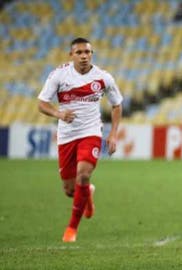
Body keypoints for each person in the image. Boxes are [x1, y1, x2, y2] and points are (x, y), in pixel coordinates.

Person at [38, 37, 123, 242]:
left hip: (91, 132)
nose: (84, 56)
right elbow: (42, 103)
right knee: (69, 190)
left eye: (88, 52)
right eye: (79, 53)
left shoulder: (103, 78)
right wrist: (59, 114)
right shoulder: (59, 75)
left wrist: (112, 133)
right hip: (67, 136)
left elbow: (117, 104)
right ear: (71, 55)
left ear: (92, 54)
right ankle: (88, 194)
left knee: (83, 175)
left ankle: (71, 229)